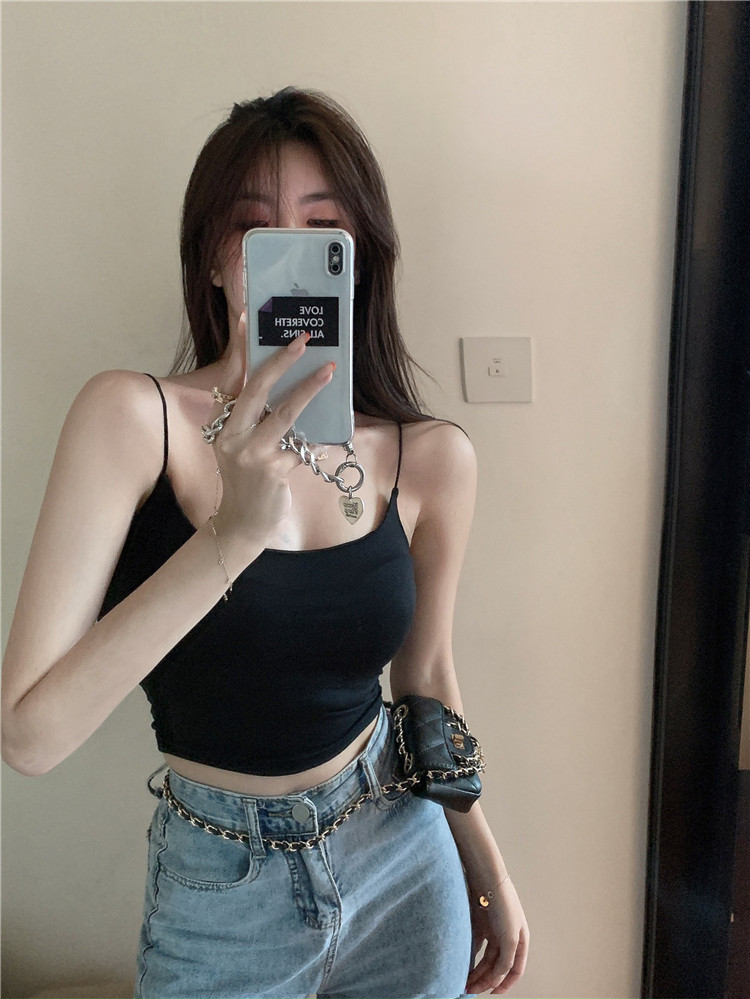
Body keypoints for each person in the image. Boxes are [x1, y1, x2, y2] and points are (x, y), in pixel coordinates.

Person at [2, 88, 529, 999]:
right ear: (215, 259)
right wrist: (232, 534)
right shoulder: (133, 421)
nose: (287, 253)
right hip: (221, 890)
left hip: (404, 861)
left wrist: (484, 858)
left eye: (322, 230)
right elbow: (29, 736)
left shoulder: (430, 459)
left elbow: (427, 678)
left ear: (357, 262)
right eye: (254, 228)